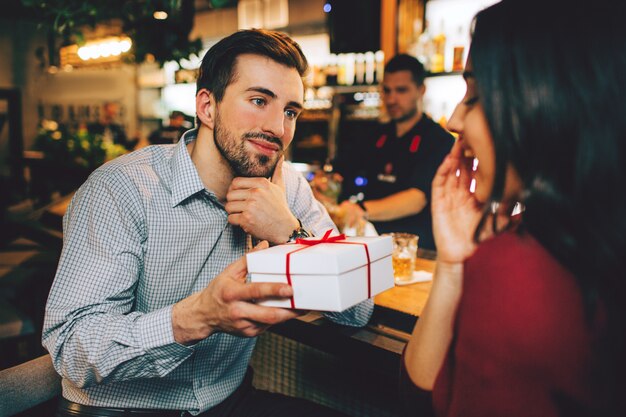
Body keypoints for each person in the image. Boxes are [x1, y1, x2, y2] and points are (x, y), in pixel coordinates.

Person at [43, 29, 373, 417]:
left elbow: (359, 308)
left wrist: (290, 232)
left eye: (289, 111)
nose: (278, 128)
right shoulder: (122, 189)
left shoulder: (284, 186)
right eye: (258, 100)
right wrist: (197, 316)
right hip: (125, 409)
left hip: (230, 399)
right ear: (207, 107)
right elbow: (72, 349)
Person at [401, 1, 626, 416]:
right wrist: (454, 262)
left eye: (476, 95)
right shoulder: (571, 234)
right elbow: (427, 375)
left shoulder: (516, 266)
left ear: (548, 101)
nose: (453, 119)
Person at [335, 54, 454, 250]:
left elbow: (416, 199)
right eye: (387, 90)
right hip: (372, 244)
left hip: (416, 250)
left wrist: (362, 209)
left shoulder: (438, 140)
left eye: (401, 90)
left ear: (421, 90)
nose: (391, 99)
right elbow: (346, 174)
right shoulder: (377, 135)